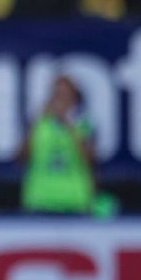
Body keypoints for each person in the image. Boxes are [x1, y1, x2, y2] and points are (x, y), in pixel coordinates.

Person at [20, 75, 96, 215]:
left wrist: (69, 125)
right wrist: (35, 123)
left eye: (65, 95)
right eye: (57, 95)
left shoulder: (83, 124)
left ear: (74, 98)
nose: (61, 100)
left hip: (75, 202)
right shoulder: (39, 123)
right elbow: (20, 157)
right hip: (40, 201)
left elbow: (90, 160)